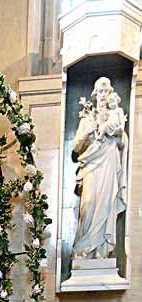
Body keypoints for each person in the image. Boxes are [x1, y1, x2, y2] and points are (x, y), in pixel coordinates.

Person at [71, 77, 128, 259]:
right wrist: (86, 133)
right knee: (87, 204)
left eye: (106, 91)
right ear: (95, 95)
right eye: (100, 92)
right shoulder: (87, 118)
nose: (103, 95)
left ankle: (100, 251)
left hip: (108, 162)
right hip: (91, 165)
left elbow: (122, 142)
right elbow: (76, 147)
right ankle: (83, 250)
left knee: (106, 204)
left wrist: (119, 135)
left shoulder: (114, 116)